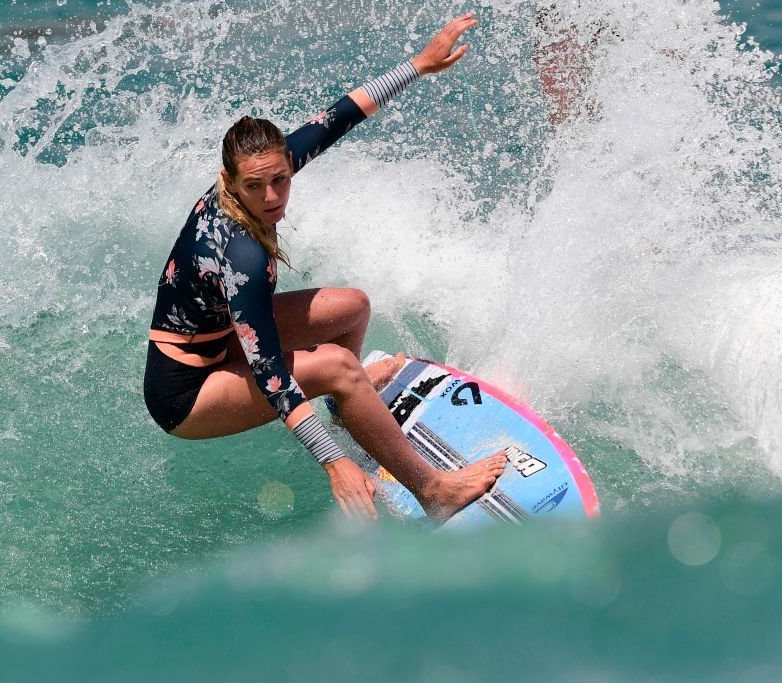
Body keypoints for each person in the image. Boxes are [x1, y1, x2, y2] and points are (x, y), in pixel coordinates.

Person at [143, 14, 508, 523]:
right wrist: (333, 462)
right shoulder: (241, 254)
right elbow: (269, 371)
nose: (272, 197)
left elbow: (339, 117)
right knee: (337, 365)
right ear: (229, 180)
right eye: (255, 186)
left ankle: (348, 406)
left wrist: (419, 65)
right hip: (187, 392)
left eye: (280, 179)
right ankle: (435, 492)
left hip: (221, 341)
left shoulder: (262, 169)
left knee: (352, 307)